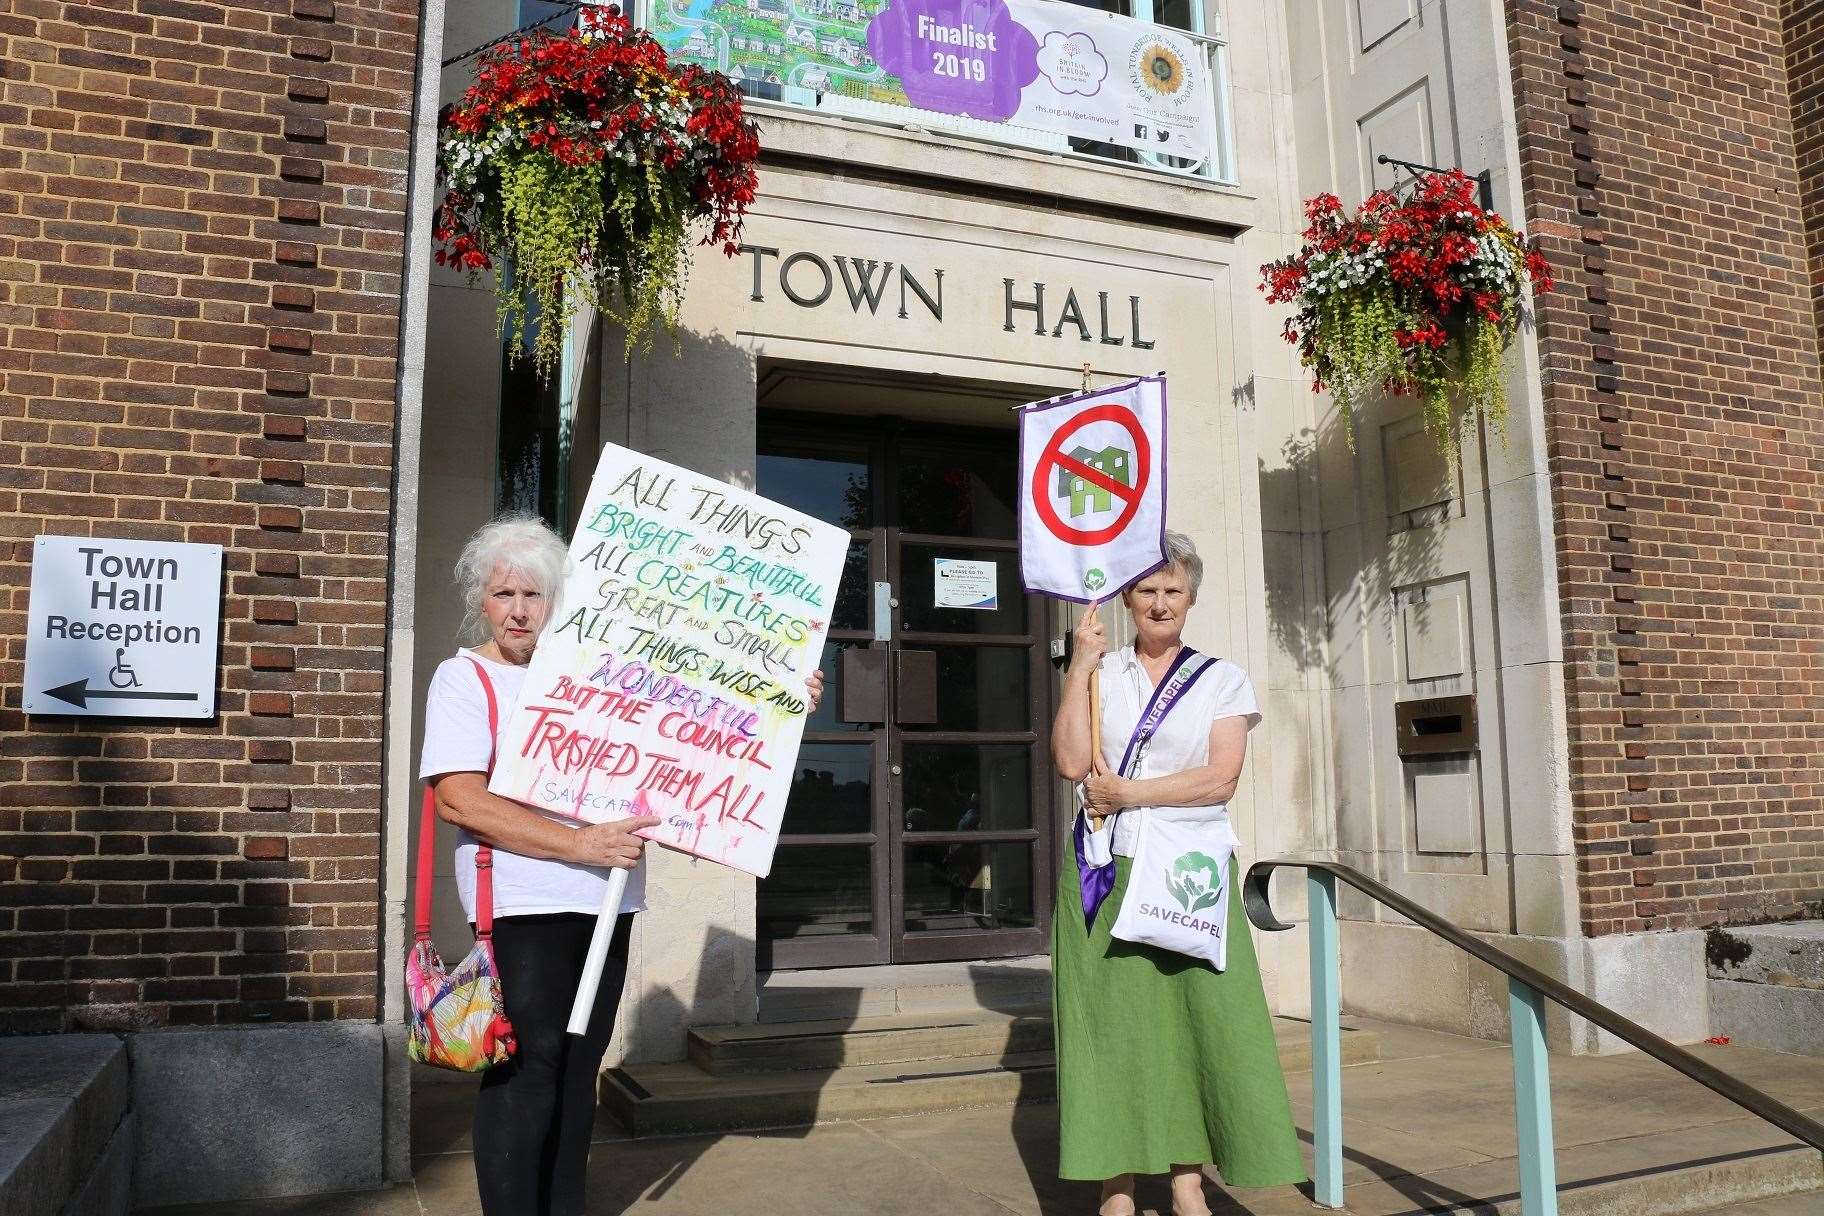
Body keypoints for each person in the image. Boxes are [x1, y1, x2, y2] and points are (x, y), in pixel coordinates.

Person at [421, 513, 821, 1216]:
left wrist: (783, 701)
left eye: (535, 595)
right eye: (504, 594)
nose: (519, 610)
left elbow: (697, 732)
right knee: (528, 1066)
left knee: (579, 1070)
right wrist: (580, 844)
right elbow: (459, 800)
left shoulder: (599, 672)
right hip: (524, 904)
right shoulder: (465, 679)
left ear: (557, 602)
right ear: (480, 600)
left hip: (607, 901)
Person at [1050, 530, 1306, 1216]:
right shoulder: (1103, 674)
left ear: (1190, 598)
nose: (1160, 603)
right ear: (1127, 599)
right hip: (1107, 866)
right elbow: (1072, 764)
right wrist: (1079, 665)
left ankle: (1189, 1179)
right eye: (1147, 590)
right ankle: (1116, 1183)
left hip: (1191, 871)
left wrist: (1132, 792)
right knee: (1112, 1027)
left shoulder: (1222, 678)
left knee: (1199, 1021)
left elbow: (1220, 778)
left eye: (1173, 590)